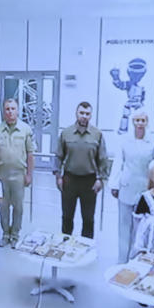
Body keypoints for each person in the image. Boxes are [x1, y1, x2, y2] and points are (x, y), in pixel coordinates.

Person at [108, 111, 154, 262]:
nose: (139, 123)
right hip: (126, 187)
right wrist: (114, 184)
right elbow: (118, 162)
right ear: (133, 122)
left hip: (144, 189)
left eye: (142, 120)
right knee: (124, 227)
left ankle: (135, 260)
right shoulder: (124, 140)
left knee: (140, 228)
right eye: (137, 120)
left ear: (147, 122)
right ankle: (121, 260)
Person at [55, 101, 108, 239]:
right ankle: (65, 244)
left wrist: (101, 179)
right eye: (81, 113)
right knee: (67, 216)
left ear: (91, 115)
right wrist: (58, 176)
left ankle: (86, 247)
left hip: (89, 181)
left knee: (88, 218)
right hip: (69, 179)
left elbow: (103, 158)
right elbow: (59, 156)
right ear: (76, 113)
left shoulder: (97, 134)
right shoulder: (66, 133)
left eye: (87, 114)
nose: (84, 116)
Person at [0, 98, 34, 247]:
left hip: (18, 176)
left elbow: (30, 154)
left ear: (17, 110)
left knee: (18, 207)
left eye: (13, 108)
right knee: (3, 207)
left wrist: (29, 175)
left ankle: (15, 235)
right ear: (4, 111)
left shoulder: (25, 129)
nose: (10, 112)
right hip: (2, 175)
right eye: (7, 109)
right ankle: (5, 234)